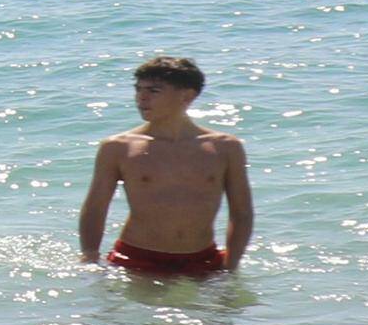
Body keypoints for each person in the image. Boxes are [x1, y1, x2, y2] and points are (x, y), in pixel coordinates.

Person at [82, 52, 257, 279]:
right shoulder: (119, 147)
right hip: (135, 259)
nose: (141, 98)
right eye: (138, 89)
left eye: (153, 91)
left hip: (204, 259)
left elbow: (242, 212)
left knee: (218, 314)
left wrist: (231, 265)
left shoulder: (225, 147)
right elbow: (96, 207)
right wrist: (90, 255)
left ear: (187, 96)